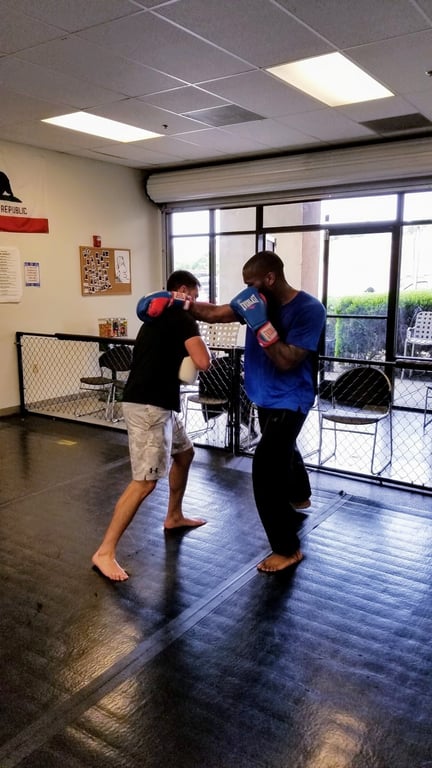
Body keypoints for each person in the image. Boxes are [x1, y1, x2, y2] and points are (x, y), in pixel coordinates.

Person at [187, 250, 326, 573]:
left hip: (291, 400)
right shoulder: (254, 301)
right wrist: (179, 303)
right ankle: (300, 495)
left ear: (270, 278)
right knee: (284, 449)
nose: (248, 289)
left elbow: (287, 359)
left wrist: (261, 323)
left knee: (265, 471)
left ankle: (287, 549)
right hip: (264, 397)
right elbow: (214, 313)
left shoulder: (308, 309)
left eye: (252, 283)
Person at [91, 270, 212, 581]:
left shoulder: (155, 316)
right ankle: (105, 552)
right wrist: (198, 338)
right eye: (194, 296)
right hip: (149, 407)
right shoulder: (182, 317)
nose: (195, 302)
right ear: (182, 290)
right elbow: (203, 361)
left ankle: (174, 516)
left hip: (158, 403)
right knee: (144, 482)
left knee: (185, 454)